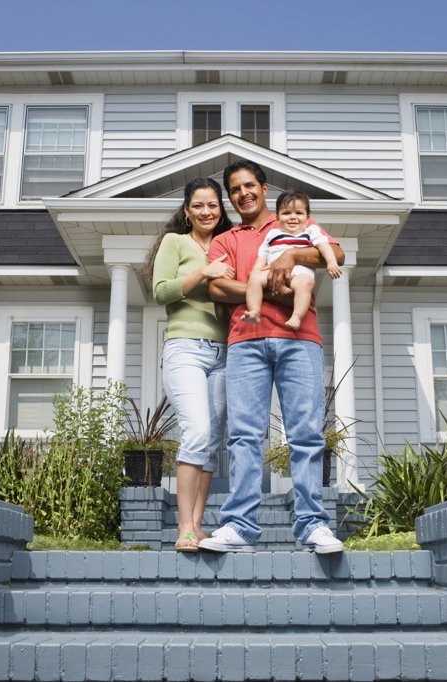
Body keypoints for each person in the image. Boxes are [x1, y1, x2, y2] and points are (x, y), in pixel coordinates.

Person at [198, 160, 345, 554]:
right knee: (244, 435)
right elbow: (216, 288)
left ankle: (313, 525)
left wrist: (291, 259)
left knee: (306, 434)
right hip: (245, 341)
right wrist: (263, 287)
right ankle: (239, 526)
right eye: (234, 189)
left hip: (300, 339)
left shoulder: (291, 220)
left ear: (264, 189)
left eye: (249, 185)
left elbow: (336, 253)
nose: (242, 193)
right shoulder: (226, 239)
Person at [147, 177, 234, 552]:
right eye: (198, 205)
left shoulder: (226, 245)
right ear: (187, 210)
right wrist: (204, 272)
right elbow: (161, 290)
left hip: (223, 352)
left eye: (213, 205)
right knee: (197, 429)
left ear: (220, 208)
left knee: (211, 441)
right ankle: (183, 527)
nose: (206, 211)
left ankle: (198, 527)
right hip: (184, 348)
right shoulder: (175, 242)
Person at [241, 190, 342, 330]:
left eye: (298, 213)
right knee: (254, 279)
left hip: (300, 275)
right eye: (286, 213)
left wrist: (331, 262)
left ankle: (297, 315)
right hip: (273, 273)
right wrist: (255, 272)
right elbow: (262, 255)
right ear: (277, 218)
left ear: (308, 218)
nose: (292, 217)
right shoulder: (273, 234)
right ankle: (254, 311)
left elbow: (323, 246)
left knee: (306, 283)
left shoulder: (310, 231)